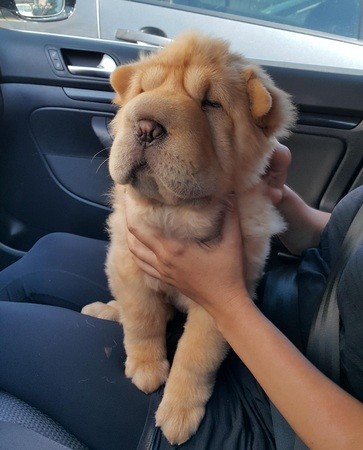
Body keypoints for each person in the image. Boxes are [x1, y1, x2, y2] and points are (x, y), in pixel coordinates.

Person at [0, 144, 362, 449]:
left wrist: (226, 301)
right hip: (279, 304)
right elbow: (344, 239)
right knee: (49, 253)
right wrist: (280, 201)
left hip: (279, 412)